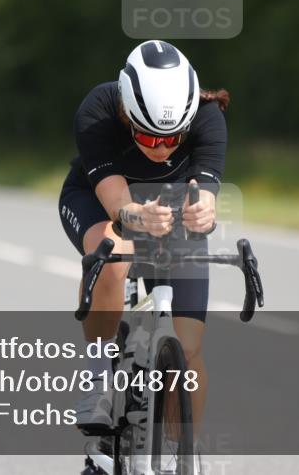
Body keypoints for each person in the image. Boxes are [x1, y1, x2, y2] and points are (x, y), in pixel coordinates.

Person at [58, 40, 230, 435]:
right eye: (151, 137)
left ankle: (179, 452)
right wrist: (137, 215)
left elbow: (205, 192)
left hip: (169, 207)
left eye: (173, 138)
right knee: (114, 256)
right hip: (100, 199)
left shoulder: (207, 116)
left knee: (187, 351)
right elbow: (117, 201)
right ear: (127, 115)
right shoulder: (98, 111)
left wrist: (204, 207)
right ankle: (99, 377)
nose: (163, 147)